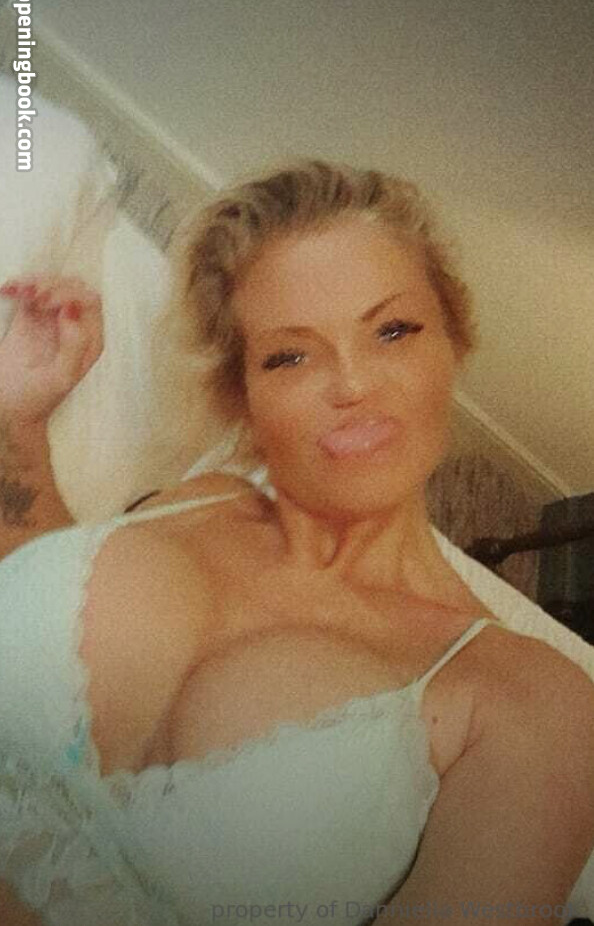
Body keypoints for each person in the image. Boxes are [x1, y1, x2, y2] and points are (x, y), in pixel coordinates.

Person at [1, 158, 594, 926]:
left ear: (454, 343)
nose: (352, 384)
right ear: (243, 392)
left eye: (392, 331)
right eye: (290, 354)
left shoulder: (533, 703)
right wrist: (18, 425)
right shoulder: (194, 501)